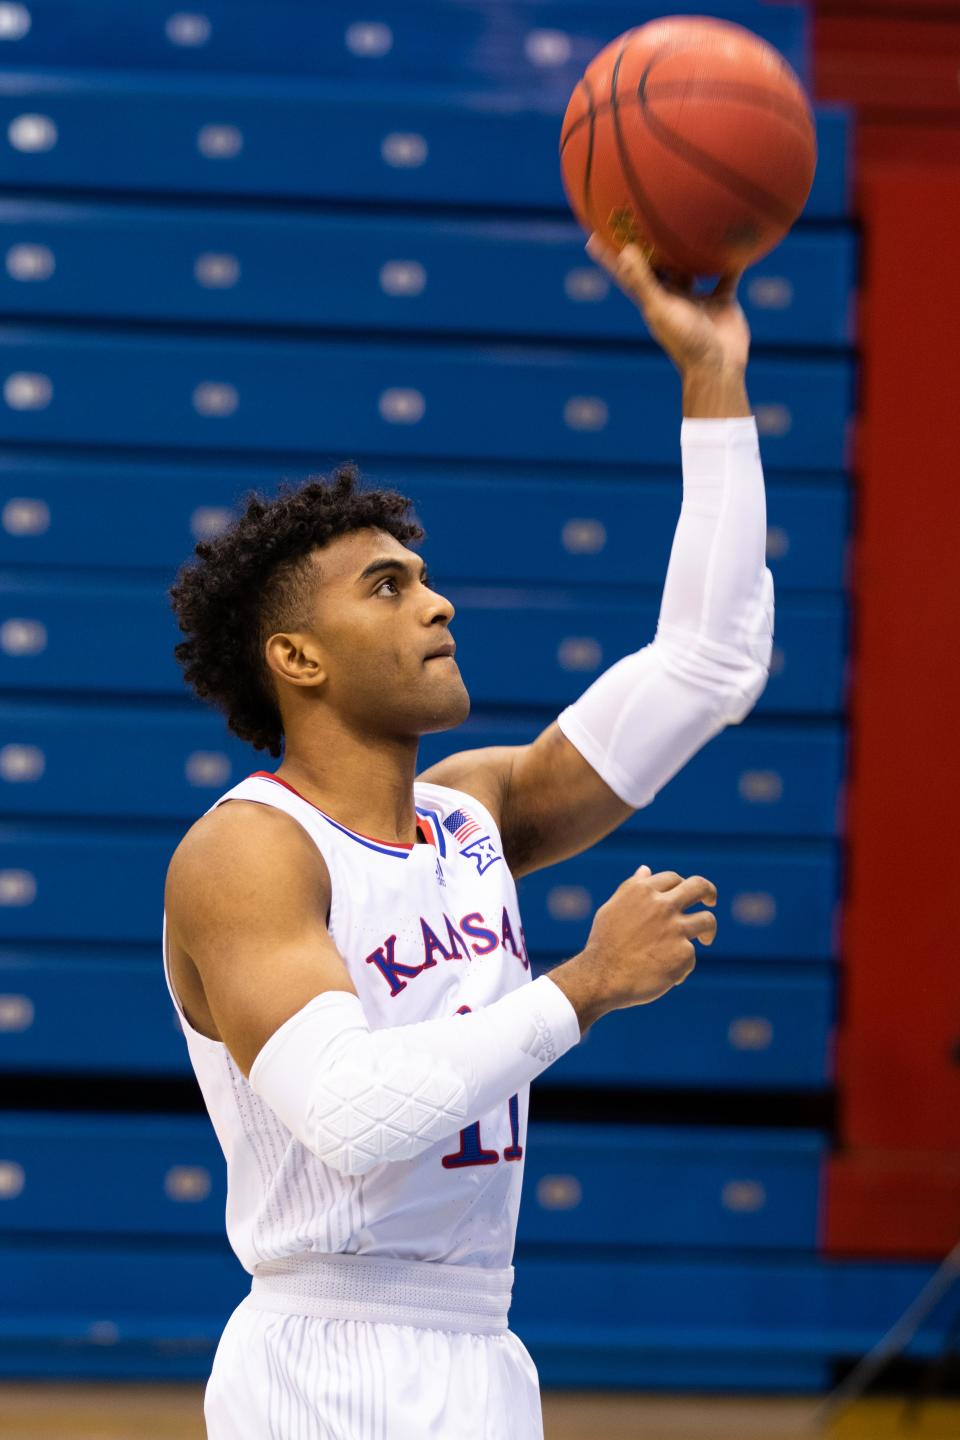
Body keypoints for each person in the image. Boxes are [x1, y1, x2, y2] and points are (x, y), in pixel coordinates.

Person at [163, 236, 773, 1439]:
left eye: (425, 578)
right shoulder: (248, 851)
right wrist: (584, 989)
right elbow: (344, 1113)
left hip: (483, 1347)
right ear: (297, 658)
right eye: (387, 587)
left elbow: (711, 664)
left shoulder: (471, 815)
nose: (437, 600)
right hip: (323, 1362)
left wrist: (713, 382)